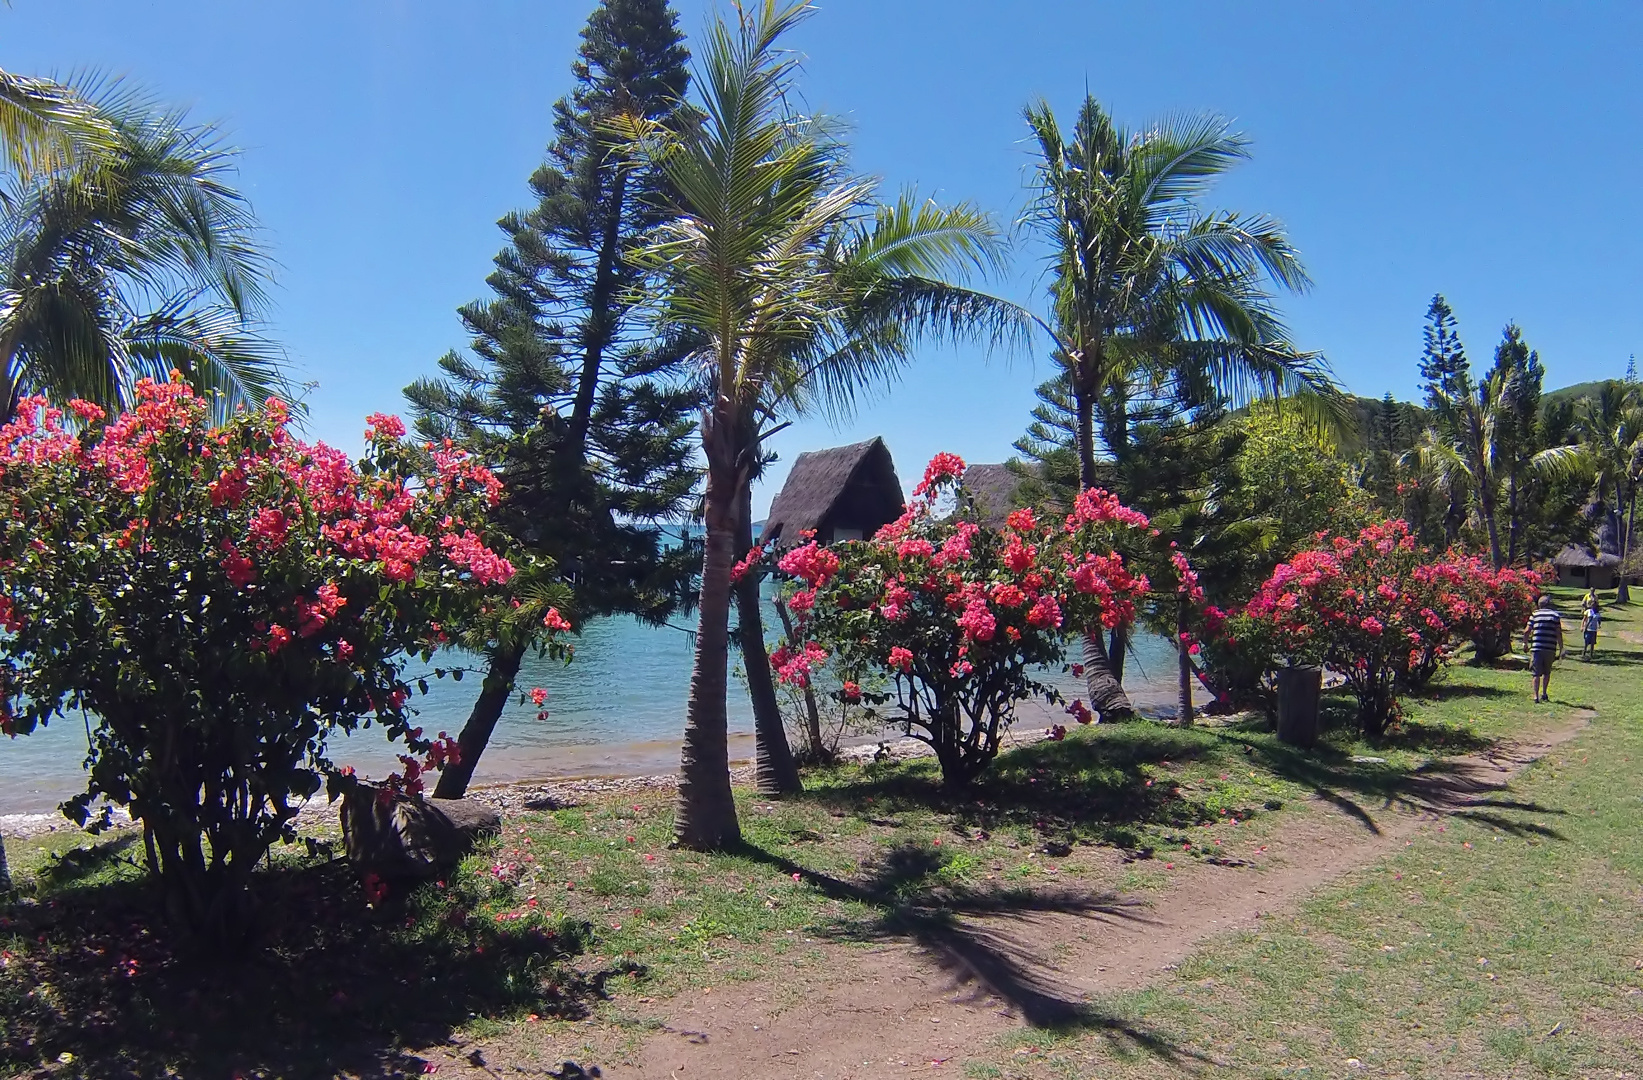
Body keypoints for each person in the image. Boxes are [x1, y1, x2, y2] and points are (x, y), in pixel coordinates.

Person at [1523, 595, 1565, 702]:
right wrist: (1561, 648)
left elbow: (1527, 630)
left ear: (1539, 605)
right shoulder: (1555, 616)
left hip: (1537, 648)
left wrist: (1525, 643)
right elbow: (1558, 633)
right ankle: (1544, 693)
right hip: (1550, 648)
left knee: (1536, 673)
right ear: (1549, 604)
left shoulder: (1535, 615)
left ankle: (1536, 696)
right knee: (1547, 672)